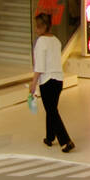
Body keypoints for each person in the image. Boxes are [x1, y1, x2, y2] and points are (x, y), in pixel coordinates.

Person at [30, 12, 73, 153]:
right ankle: (49, 137)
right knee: (52, 108)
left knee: (52, 111)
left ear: (43, 27)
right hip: (58, 80)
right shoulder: (56, 40)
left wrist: (33, 82)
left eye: (37, 27)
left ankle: (65, 140)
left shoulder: (41, 41)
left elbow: (40, 66)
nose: (36, 30)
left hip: (47, 80)